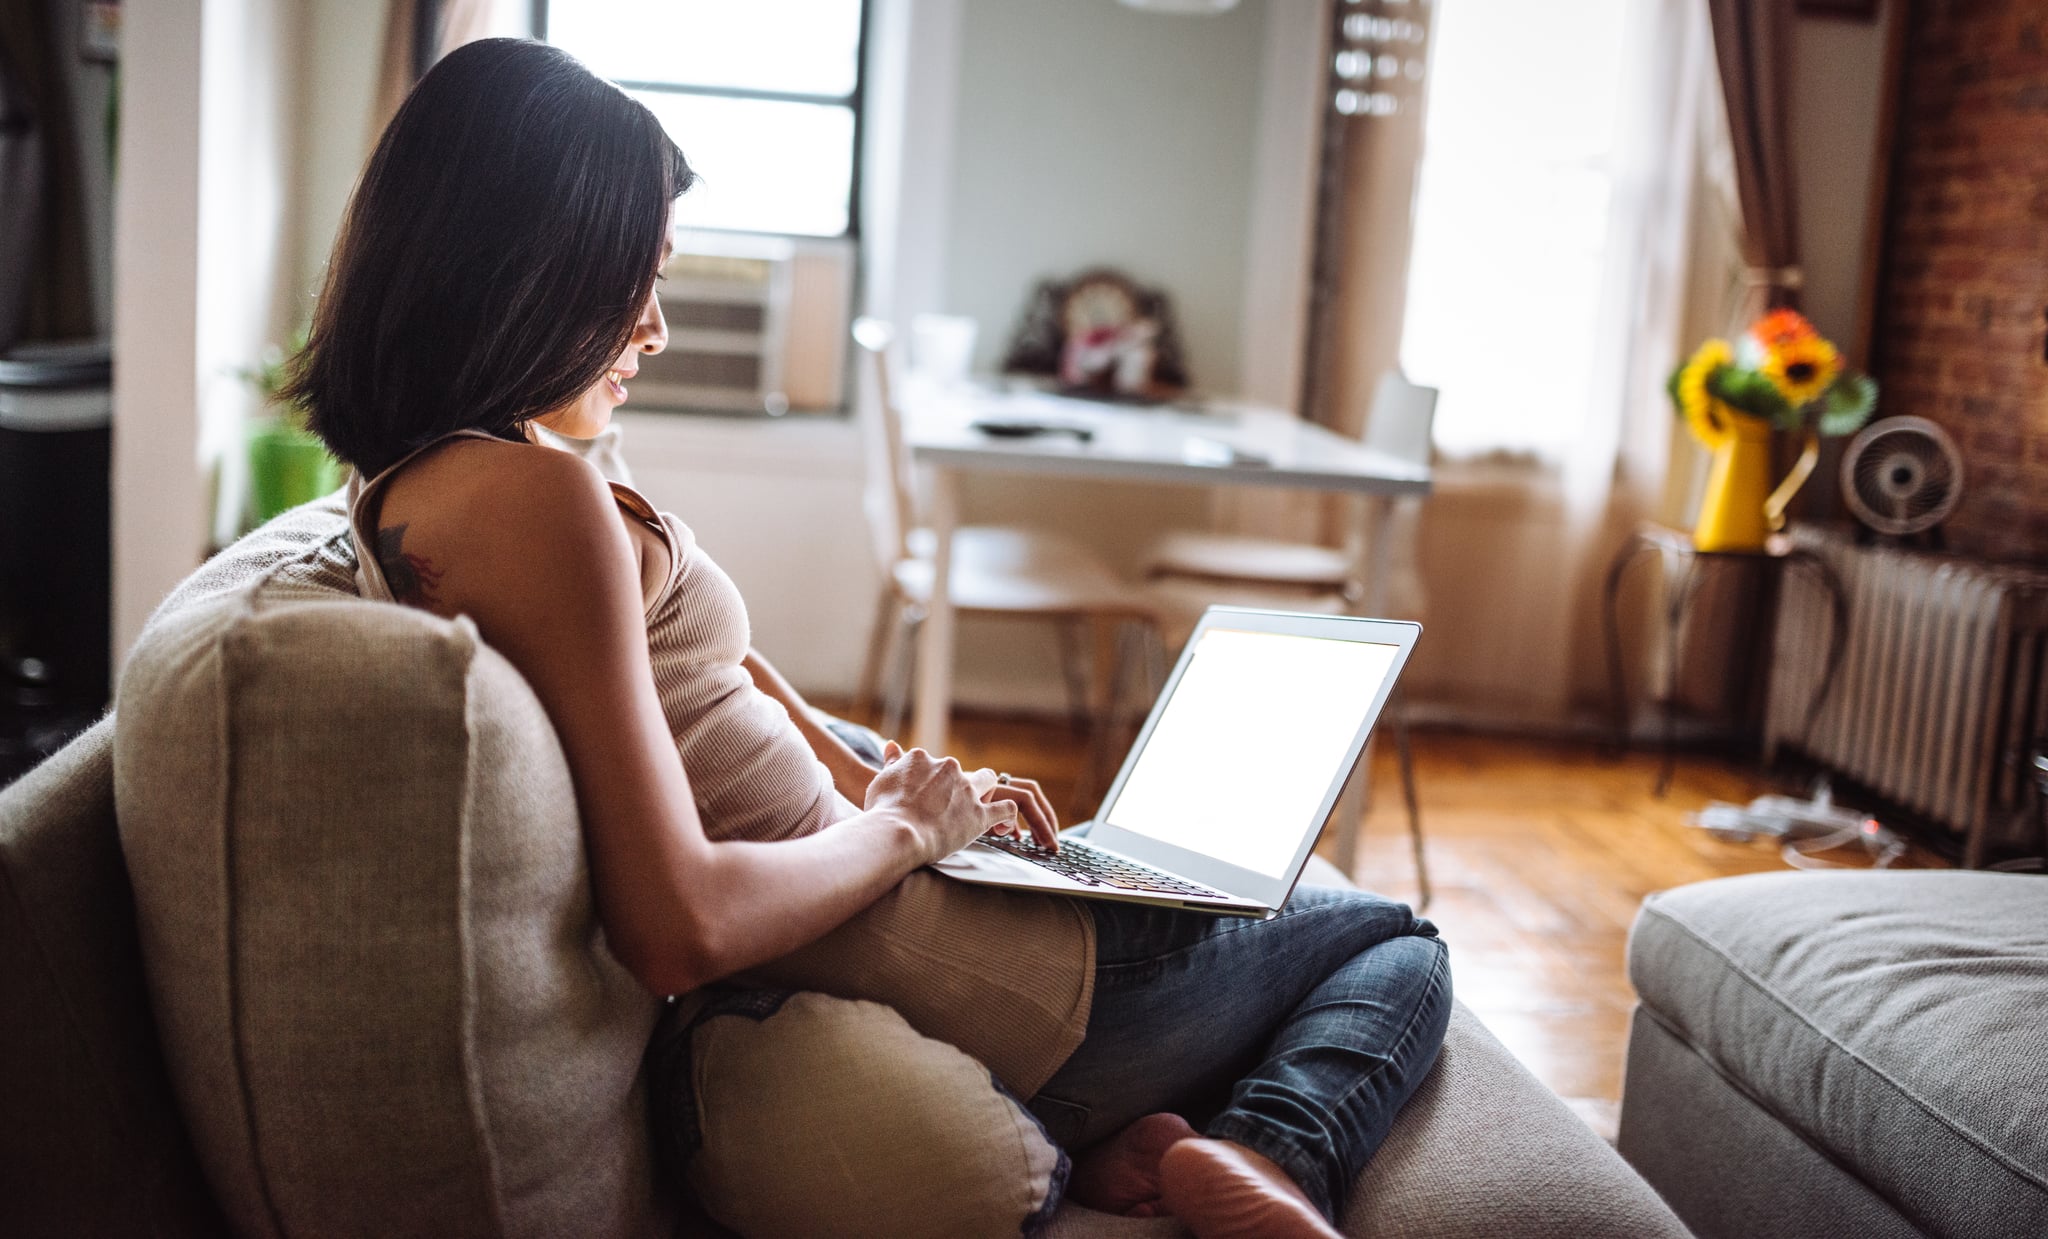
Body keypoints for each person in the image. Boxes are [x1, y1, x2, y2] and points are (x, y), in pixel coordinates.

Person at [284, 38, 1450, 1239]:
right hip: (995, 979)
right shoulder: (536, 504)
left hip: (926, 900)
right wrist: (903, 829)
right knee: (1394, 940)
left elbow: (701, 675)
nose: (658, 328)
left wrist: (873, 779)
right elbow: (674, 923)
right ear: (534, 269)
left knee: (1215, 878)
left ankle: (1139, 1138)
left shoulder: (433, 483)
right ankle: (1270, 1154)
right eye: (640, 277)